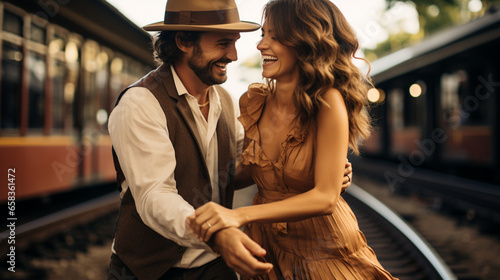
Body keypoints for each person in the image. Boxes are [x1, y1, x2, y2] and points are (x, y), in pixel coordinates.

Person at [107, 0, 353, 279]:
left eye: (235, 43)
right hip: (152, 269)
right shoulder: (140, 103)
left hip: (215, 263)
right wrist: (218, 233)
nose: (234, 55)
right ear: (184, 41)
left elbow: (237, 170)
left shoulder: (225, 101)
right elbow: (155, 197)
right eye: (223, 43)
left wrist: (316, 172)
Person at [187, 0, 398, 279]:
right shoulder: (254, 102)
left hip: (322, 250)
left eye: (275, 36)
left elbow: (325, 198)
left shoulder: (328, 102)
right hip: (268, 247)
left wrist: (238, 216)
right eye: (264, 34)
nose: (261, 45)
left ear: (305, 42)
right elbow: (247, 173)